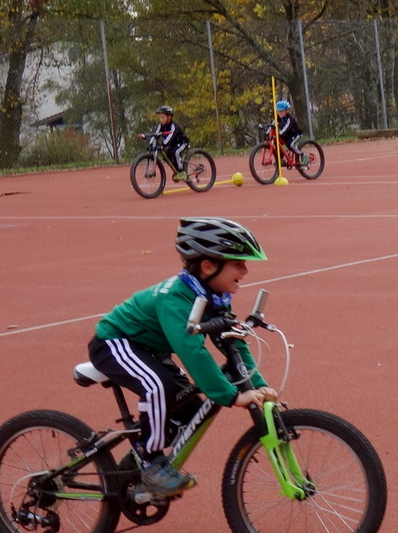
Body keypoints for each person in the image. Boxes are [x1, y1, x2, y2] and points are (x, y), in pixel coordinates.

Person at [87, 217, 278, 497]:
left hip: (151, 351)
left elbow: (232, 344)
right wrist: (231, 396)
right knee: (157, 387)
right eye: (238, 263)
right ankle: (151, 465)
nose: (245, 270)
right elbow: (192, 351)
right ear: (208, 266)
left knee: (189, 411)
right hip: (116, 343)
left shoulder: (214, 295)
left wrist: (257, 384)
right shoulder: (176, 299)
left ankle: (134, 464)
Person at [144, 105, 190, 181]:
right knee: (166, 156)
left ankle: (182, 172)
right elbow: (155, 134)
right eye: (160, 117)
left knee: (175, 153)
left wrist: (163, 144)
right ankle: (177, 170)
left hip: (181, 142)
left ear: (169, 117)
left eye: (163, 117)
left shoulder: (173, 126)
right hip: (171, 144)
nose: (161, 119)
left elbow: (170, 137)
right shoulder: (160, 125)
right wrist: (150, 143)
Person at [274, 100, 305, 164]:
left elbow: (285, 129)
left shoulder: (289, 119)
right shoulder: (278, 118)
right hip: (287, 135)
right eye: (278, 111)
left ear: (286, 111)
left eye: (281, 111)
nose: (279, 113)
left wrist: (279, 134)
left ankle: (303, 156)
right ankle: (281, 160)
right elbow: (272, 125)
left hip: (295, 133)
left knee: (290, 144)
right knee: (276, 142)